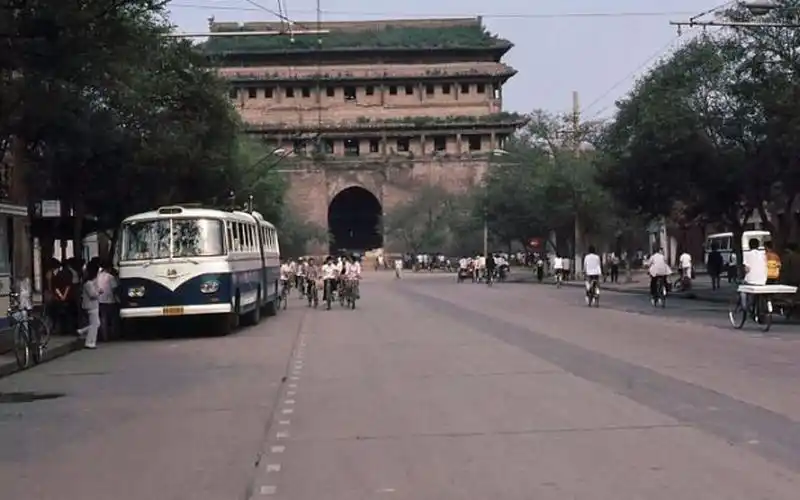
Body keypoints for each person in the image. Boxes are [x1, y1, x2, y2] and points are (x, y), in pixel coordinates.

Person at [77, 261, 102, 349]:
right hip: (91, 306)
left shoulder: (89, 283)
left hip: (93, 305)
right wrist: (99, 292)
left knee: (96, 323)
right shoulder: (89, 284)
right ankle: (90, 342)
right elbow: (92, 295)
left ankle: (82, 331)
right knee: (94, 324)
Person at [741, 238, 768, 311]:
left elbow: (747, 269)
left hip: (751, 281)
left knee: (743, 291)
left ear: (749, 245)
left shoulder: (747, 254)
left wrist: (743, 277)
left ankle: (746, 307)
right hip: (763, 280)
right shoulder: (763, 254)